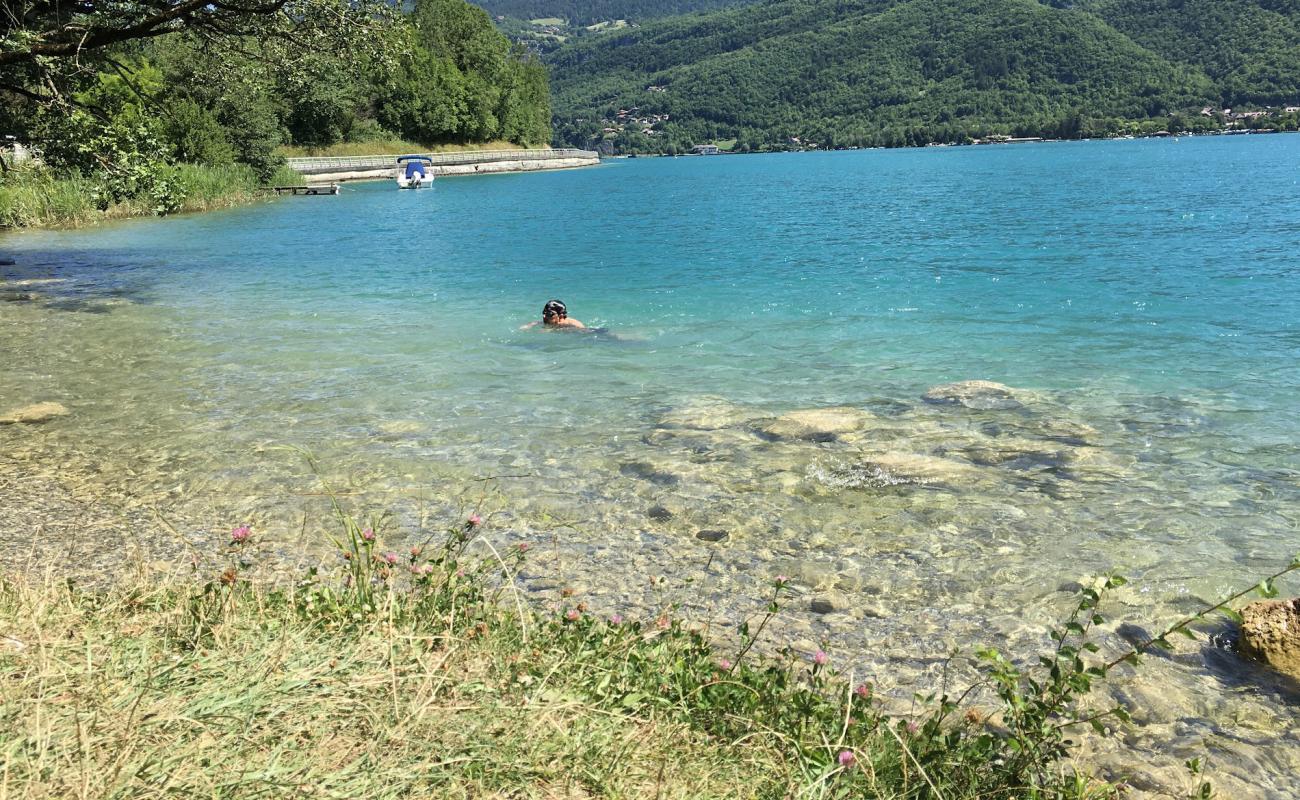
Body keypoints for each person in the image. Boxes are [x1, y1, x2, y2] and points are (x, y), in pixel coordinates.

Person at [522, 299, 587, 330]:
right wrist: (527, 326)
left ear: (560, 316)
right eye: (544, 313)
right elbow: (535, 323)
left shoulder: (573, 325)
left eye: (549, 314)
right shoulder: (550, 321)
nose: (544, 316)